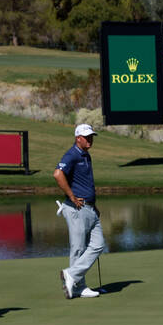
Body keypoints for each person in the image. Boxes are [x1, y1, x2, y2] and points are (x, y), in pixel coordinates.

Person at [53, 124, 106, 299]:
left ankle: (72, 275)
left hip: (89, 208)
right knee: (78, 249)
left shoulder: (86, 155)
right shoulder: (72, 154)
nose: (90, 139)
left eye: (91, 136)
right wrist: (72, 196)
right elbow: (58, 174)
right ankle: (79, 286)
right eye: (86, 136)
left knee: (98, 245)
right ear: (78, 138)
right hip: (77, 208)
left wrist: (94, 205)